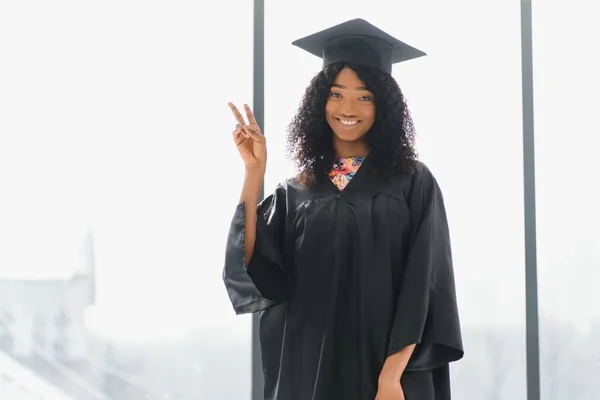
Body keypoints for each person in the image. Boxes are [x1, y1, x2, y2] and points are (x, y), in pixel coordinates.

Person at [223, 18, 463, 400]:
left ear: (384, 105)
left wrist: (392, 376)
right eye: (336, 94)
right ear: (320, 101)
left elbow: (427, 282)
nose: (348, 107)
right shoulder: (296, 192)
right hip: (309, 372)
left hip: (388, 375)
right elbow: (252, 270)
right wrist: (254, 172)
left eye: (364, 96)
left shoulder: (412, 182)